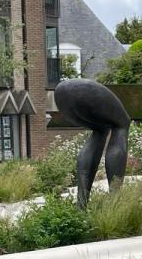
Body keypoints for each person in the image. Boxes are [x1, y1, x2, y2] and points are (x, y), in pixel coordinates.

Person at [54, 79, 131, 209]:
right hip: (78, 90)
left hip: (61, 94)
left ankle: (81, 204)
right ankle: (114, 202)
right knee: (122, 124)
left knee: (100, 130)